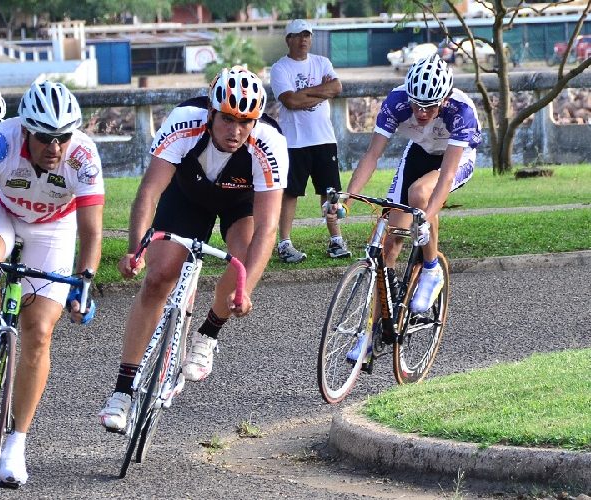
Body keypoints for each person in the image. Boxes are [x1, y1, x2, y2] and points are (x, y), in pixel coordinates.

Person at [98, 66, 288, 432]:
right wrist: (136, 248)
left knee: (240, 265)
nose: (236, 131)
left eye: (245, 122)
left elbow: (268, 227)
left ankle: (208, 333)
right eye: (228, 119)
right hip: (186, 197)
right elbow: (149, 192)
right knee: (157, 278)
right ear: (212, 113)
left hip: (240, 204)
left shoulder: (269, 142)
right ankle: (122, 390)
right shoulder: (185, 121)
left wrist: (245, 290)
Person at [0, 81, 103, 487]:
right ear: (25, 131)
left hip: (55, 226)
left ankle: (15, 444)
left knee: (40, 333)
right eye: (46, 138)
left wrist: (84, 280)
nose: (55, 147)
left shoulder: (82, 156)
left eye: (63, 138)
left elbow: (92, 231)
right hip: (2, 211)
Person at [326, 54, 479, 316]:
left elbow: (445, 177)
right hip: (419, 151)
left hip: (454, 158)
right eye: (416, 105)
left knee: (419, 193)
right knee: (390, 243)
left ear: (443, 100)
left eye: (429, 107)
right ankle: (373, 332)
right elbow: (371, 156)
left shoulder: (461, 111)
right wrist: (346, 202)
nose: (421, 113)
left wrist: (425, 221)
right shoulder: (397, 101)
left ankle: (431, 270)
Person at [270, 19, 349, 263]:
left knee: (330, 192)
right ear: (288, 40)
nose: (304, 40)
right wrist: (319, 92)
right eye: (298, 35)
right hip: (294, 142)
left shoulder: (322, 62)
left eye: (307, 35)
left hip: (324, 139)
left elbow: (336, 87)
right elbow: (290, 102)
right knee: (290, 193)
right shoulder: (280, 68)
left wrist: (305, 95)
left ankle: (336, 240)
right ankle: (284, 243)